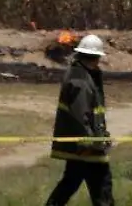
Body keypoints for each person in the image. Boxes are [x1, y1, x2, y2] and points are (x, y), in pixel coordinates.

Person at [46, 33, 114, 206]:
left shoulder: (82, 74)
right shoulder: (81, 80)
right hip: (87, 146)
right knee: (102, 186)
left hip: (83, 145)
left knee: (70, 183)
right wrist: (92, 142)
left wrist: (103, 134)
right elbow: (81, 116)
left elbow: (93, 113)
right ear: (95, 57)